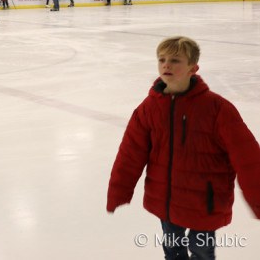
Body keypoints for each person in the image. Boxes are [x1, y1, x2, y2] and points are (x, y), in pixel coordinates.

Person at [107, 36, 260, 260]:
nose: (166, 64)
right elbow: (130, 154)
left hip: (204, 200)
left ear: (193, 68)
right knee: (173, 251)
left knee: (201, 251)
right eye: (162, 59)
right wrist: (118, 191)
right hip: (165, 199)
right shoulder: (148, 109)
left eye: (175, 60)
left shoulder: (217, 109)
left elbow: (248, 158)